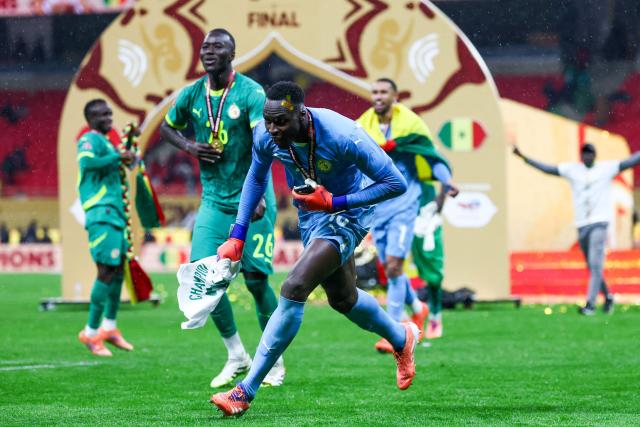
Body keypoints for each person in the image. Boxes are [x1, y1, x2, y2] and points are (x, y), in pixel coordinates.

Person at [210, 81, 420, 417]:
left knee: (294, 286)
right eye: (268, 121)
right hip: (312, 217)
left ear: (302, 115)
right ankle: (401, 336)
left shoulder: (342, 134)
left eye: (281, 122)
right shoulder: (267, 136)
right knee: (343, 299)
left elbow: (395, 182)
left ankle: (244, 391)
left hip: (348, 214)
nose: (273, 129)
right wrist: (237, 234)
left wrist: (336, 201)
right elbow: (255, 178)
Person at [159, 28, 283, 388]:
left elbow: (265, 140)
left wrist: (259, 190)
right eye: (205, 47)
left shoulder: (250, 93)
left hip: (252, 197)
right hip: (213, 199)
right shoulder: (192, 94)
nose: (209, 51)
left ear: (232, 54)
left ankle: (273, 360)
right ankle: (236, 354)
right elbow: (168, 128)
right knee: (202, 275)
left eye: (218, 47)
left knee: (258, 281)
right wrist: (190, 146)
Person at [357, 78, 457, 350]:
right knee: (391, 270)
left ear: (395, 96)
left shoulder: (410, 125)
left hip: (404, 205)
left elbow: (431, 157)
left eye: (383, 92)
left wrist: (446, 182)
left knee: (394, 266)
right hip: (378, 207)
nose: (378, 96)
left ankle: (393, 331)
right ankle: (417, 307)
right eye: (374, 92)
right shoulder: (363, 125)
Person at [513, 143, 640, 315]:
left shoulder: (606, 168)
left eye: (590, 154)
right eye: (585, 154)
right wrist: (523, 157)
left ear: (595, 155)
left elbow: (631, 161)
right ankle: (608, 296)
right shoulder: (573, 170)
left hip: (599, 222)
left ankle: (590, 305)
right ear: (581, 157)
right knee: (592, 265)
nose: (587, 157)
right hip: (582, 225)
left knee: (596, 264)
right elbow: (547, 169)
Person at [76, 99, 136, 356]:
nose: (108, 117)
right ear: (90, 119)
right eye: (102, 114)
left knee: (118, 270)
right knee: (105, 270)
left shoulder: (108, 143)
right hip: (101, 212)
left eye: (110, 113)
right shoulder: (88, 140)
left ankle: (109, 327)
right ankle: (90, 333)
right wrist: (116, 156)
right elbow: (87, 163)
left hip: (116, 213)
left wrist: (127, 152)